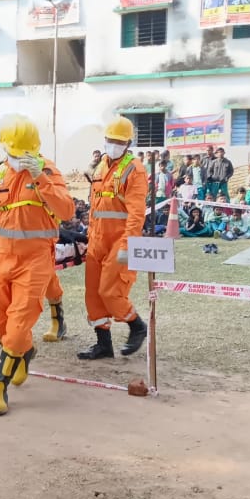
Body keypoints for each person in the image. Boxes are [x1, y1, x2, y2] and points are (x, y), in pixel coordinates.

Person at [0, 117, 73, 415]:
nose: (19, 160)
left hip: (35, 260)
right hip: (2, 259)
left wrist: (41, 180)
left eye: (24, 154)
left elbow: (67, 211)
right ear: (5, 149)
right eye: (15, 154)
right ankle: (25, 352)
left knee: (18, 327)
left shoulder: (47, 171)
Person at [79, 117, 149, 361]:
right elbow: (95, 205)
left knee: (110, 291)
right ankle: (103, 344)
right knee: (93, 294)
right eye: (110, 140)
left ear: (128, 143)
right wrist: (89, 236)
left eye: (118, 141)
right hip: (97, 238)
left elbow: (136, 212)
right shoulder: (101, 166)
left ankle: (136, 325)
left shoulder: (134, 169)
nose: (113, 144)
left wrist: (128, 245)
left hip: (120, 239)